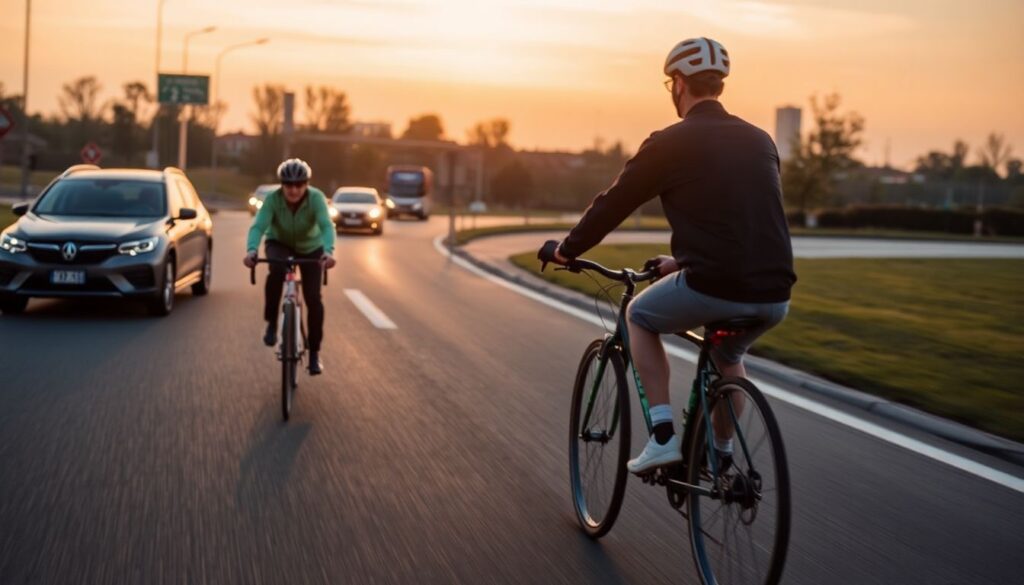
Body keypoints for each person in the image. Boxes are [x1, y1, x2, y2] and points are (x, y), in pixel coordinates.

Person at [538, 37, 796, 473]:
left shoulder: (670, 142)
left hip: (716, 285)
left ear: (678, 83)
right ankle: (721, 456)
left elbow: (615, 203)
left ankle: (662, 438)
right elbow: (743, 217)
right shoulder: (760, 140)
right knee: (729, 357)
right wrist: (681, 261)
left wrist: (568, 250)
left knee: (639, 316)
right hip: (775, 295)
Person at [244, 158, 336, 375]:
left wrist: (328, 253)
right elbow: (258, 226)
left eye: (299, 184)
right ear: (281, 185)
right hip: (279, 243)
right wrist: (251, 250)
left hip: (311, 247)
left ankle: (314, 353)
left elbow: (326, 226)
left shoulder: (316, 199)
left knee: (314, 298)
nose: (293, 190)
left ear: (307, 184)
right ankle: (272, 324)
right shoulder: (273, 200)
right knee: (276, 271)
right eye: (288, 185)